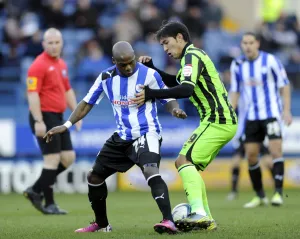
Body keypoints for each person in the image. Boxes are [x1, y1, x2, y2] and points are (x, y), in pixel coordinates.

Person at [44, 41, 187, 234]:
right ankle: (102, 224)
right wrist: (67, 124)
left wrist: (175, 109)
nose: (128, 68)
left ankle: (168, 221)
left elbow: (168, 98)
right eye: (123, 64)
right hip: (121, 137)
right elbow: (87, 103)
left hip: (147, 132)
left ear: (134, 57)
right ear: (114, 61)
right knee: (94, 177)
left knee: (150, 170)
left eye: (131, 62)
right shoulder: (106, 77)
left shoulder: (149, 74)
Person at [132, 21, 238, 231]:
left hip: (217, 120)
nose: (165, 49)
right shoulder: (192, 58)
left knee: (183, 160)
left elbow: (186, 90)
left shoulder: (192, 56)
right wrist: (153, 70)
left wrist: (151, 94)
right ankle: (205, 219)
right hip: (219, 121)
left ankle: (199, 213)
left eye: (166, 43)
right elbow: (177, 82)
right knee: (190, 166)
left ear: (180, 37)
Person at [229, 32, 292, 208]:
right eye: (244, 43)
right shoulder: (237, 64)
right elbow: (235, 91)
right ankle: (260, 195)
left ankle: (278, 193)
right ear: (241, 45)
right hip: (251, 117)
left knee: (275, 151)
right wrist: (230, 111)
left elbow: (284, 85)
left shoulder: (270, 60)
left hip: (271, 114)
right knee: (251, 156)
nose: (247, 46)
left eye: (251, 42)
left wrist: (286, 111)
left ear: (257, 44)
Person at [23, 28, 82, 215]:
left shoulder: (62, 64)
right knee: (52, 158)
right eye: (50, 43)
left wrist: (76, 114)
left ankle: (35, 189)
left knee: (68, 157)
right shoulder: (37, 66)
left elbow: (67, 90)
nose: (54, 46)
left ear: (62, 43)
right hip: (43, 115)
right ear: (43, 44)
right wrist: (39, 120)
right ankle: (49, 203)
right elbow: (32, 94)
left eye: (57, 42)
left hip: (58, 117)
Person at [227, 95, 273, 201]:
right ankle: (233, 191)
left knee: (268, 162)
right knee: (236, 162)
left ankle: (277, 189)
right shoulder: (237, 93)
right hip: (243, 135)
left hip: (257, 133)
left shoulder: (259, 96)